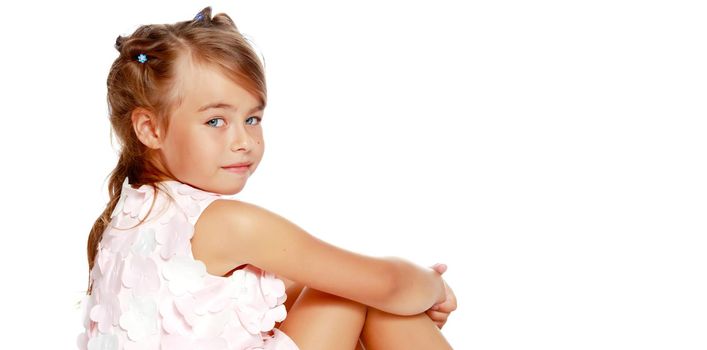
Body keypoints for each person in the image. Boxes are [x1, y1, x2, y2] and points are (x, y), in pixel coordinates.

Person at [78, 6, 457, 350]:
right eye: (215, 121)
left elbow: (251, 298)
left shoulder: (130, 216)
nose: (243, 141)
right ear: (150, 128)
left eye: (252, 119)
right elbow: (387, 284)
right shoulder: (228, 224)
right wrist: (432, 286)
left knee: (347, 290)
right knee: (352, 291)